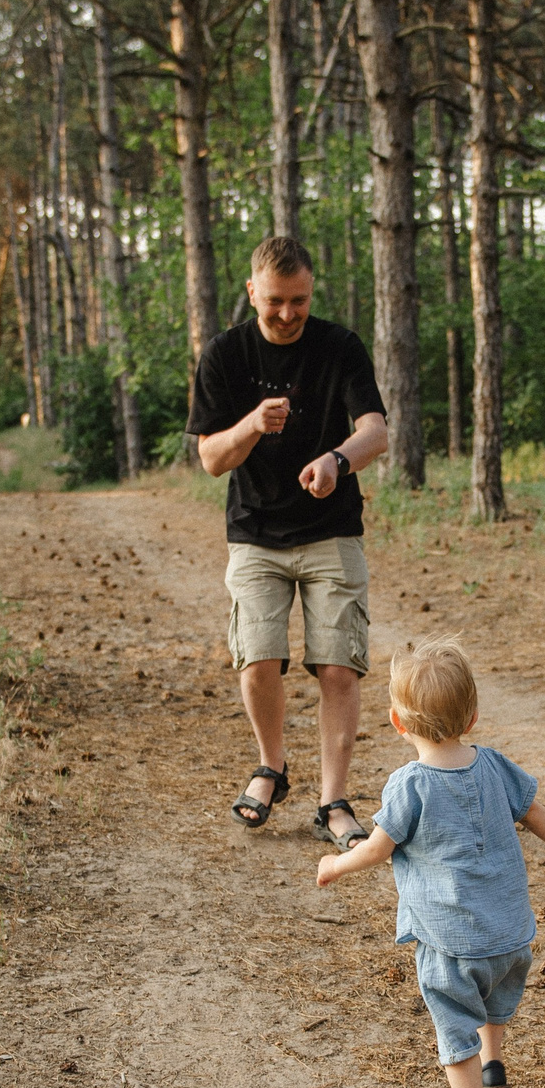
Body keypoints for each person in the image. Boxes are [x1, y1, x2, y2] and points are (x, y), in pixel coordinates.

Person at [316, 638, 545, 1088]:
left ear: (399, 724)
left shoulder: (410, 785)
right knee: (492, 1001)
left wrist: (336, 863)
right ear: (472, 715)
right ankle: (493, 1062)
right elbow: (533, 812)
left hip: (451, 942)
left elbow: (378, 848)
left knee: (453, 1024)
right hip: (511, 936)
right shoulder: (493, 764)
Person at [189, 235, 391, 849]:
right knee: (257, 658)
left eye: (298, 301)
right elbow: (210, 459)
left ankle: (334, 800)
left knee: (339, 667)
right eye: (275, 301)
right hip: (255, 532)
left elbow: (376, 432)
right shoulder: (225, 354)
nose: (287, 314)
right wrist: (251, 423)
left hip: (331, 531)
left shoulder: (340, 346)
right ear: (252, 291)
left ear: (310, 292)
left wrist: (336, 459)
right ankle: (271, 768)